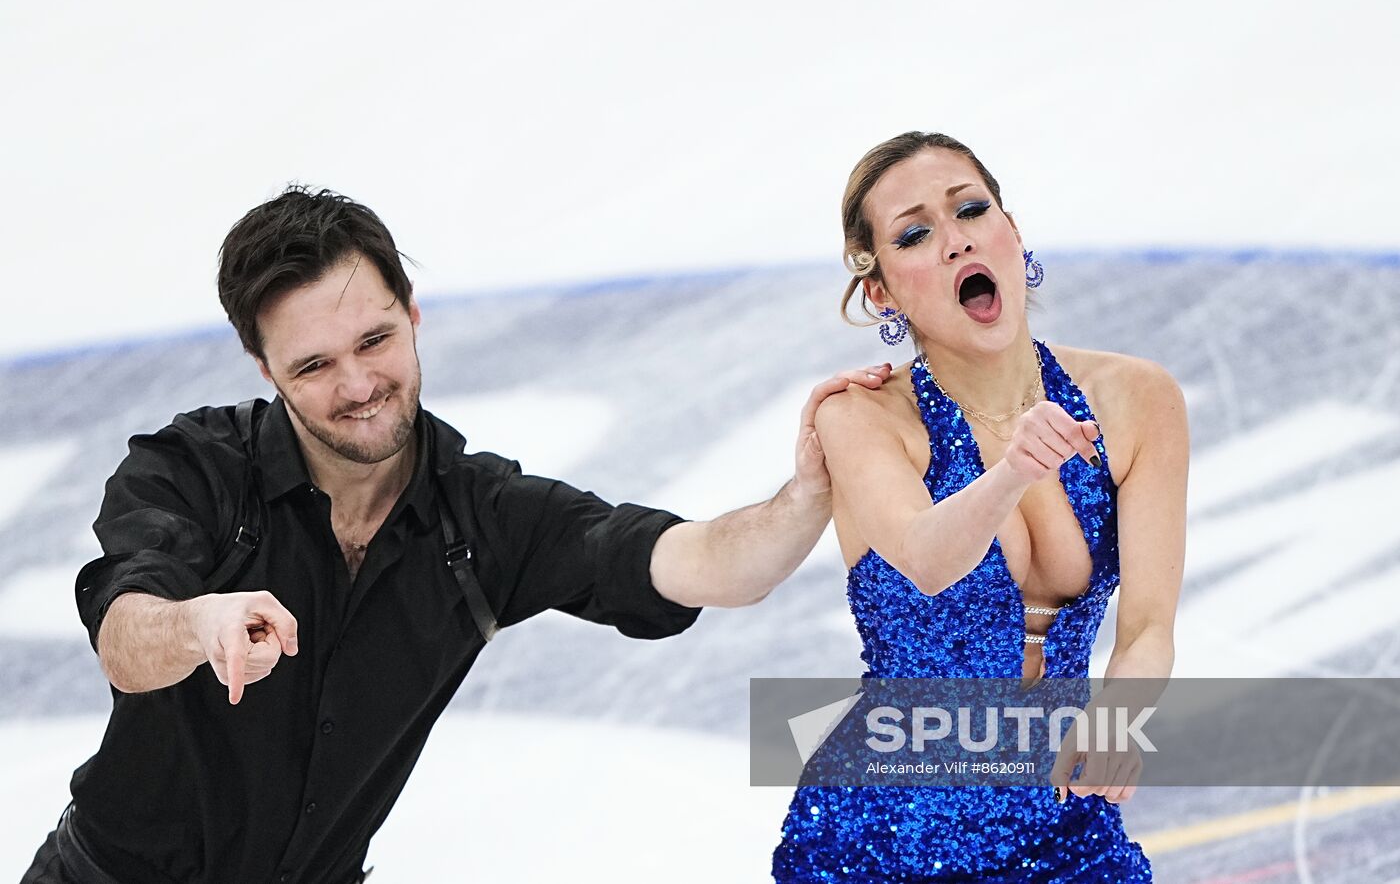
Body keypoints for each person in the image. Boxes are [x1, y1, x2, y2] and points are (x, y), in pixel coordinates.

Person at [21, 186, 892, 884]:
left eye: (375, 339)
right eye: (315, 366)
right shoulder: (196, 469)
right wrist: (196, 624)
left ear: (412, 314)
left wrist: (805, 496)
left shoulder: (483, 521)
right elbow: (126, 639)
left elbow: (697, 564)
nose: (359, 384)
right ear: (264, 370)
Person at [771, 132, 1188, 881]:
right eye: (916, 234)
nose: (956, 241)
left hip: (1063, 829)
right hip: (883, 837)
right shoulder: (863, 418)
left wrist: (1121, 715)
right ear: (883, 293)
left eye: (971, 210)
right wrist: (1010, 474)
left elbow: (1150, 625)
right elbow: (929, 560)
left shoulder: (1136, 399)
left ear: (1013, 233)